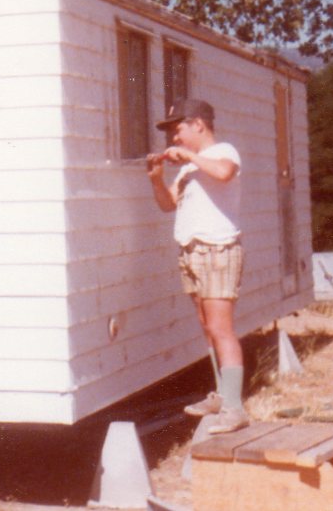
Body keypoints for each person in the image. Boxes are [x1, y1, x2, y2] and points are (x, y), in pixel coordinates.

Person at [146, 98, 247, 434]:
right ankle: (222, 395)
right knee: (208, 327)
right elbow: (167, 204)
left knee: (221, 328)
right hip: (191, 252)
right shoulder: (189, 170)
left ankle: (234, 408)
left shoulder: (224, 152)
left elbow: (224, 172)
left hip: (217, 249)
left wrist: (189, 156)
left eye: (178, 130)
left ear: (199, 125)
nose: (174, 139)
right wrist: (156, 179)